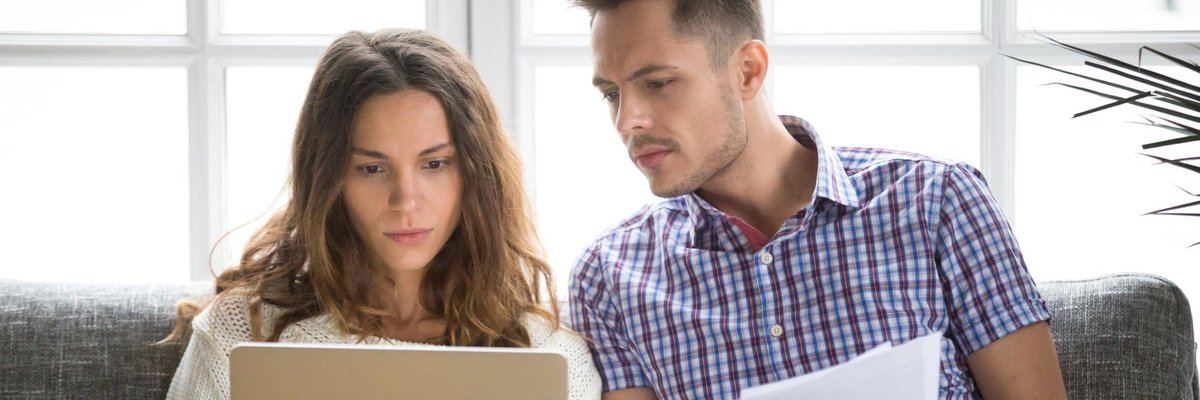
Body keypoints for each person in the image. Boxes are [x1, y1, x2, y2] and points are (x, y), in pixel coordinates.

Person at [565, 1, 1069, 399]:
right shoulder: (611, 275)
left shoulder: (937, 201)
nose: (628, 119)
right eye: (611, 93)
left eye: (657, 84)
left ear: (747, 71)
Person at [164, 28, 601, 400]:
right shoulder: (243, 332)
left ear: (476, 173)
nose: (405, 200)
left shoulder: (548, 356)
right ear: (329, 179)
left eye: (434, 164)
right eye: (372, 169)